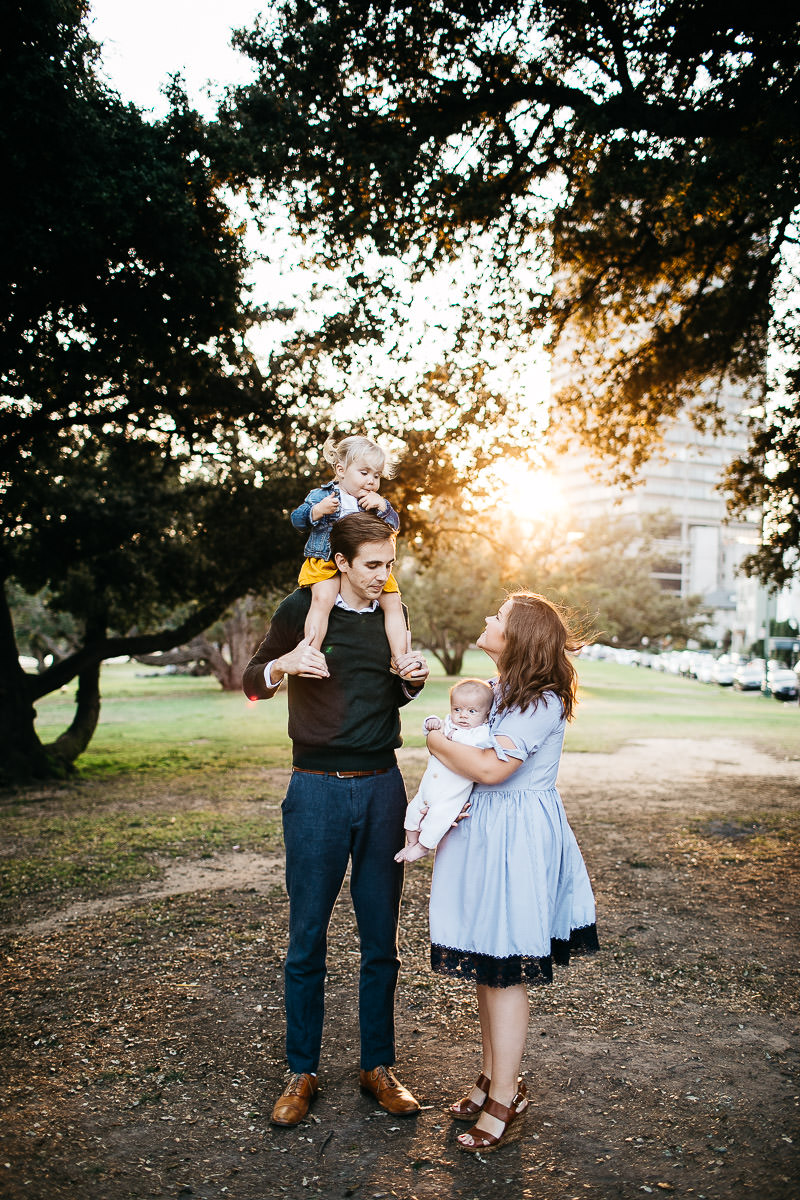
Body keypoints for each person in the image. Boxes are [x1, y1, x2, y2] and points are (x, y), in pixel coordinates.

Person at [242, 511, 430, 1127]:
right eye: (372, 565)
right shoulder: (302, 609)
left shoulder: (392, 615)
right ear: (341, 563)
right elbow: (251, 681)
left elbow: (394, 689)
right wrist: (283, 666)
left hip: (382, 788)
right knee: (307, 939)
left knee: (382, 941)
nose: (384, 576)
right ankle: (303, 1072)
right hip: (315, 791)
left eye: (390, 564)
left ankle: (378, 1066)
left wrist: (413, 679)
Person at [424, 592, 599, 1154]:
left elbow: (489, 768)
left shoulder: (539, 701)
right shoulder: (498, 693)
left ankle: (505, 1097)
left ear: (519, 636)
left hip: (517, 842)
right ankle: (492, 1077)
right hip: (485, 837)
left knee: (506, 971)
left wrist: (432, 739)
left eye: (497, 617)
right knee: (486, 964)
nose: (486, 619)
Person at [290, 434, 408, 671]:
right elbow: (297, 520)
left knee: (394, 602)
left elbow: (394, 527)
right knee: (323, 599)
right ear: (341, 470)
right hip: (327, 561)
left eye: (376, 476)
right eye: (364, 473)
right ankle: (310, 653)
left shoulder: (376, 501)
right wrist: (317, 511)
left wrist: (384, 507)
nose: (371, 481)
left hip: (368, 565)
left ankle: (400, 658)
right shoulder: (322, 496)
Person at [394, 679, 494, 864]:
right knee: (411, 812)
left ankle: (423, 848)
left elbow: (473, 745)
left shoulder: (481, 732)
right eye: (457, 709)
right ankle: (411, 842)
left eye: (472, 711)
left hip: (451, 794)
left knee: (438, 819)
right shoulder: (449, 723)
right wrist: (430, 722)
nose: (463, 716)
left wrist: (451, 736)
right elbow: (433, 729)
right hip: (428, 789)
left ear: (486, 714)